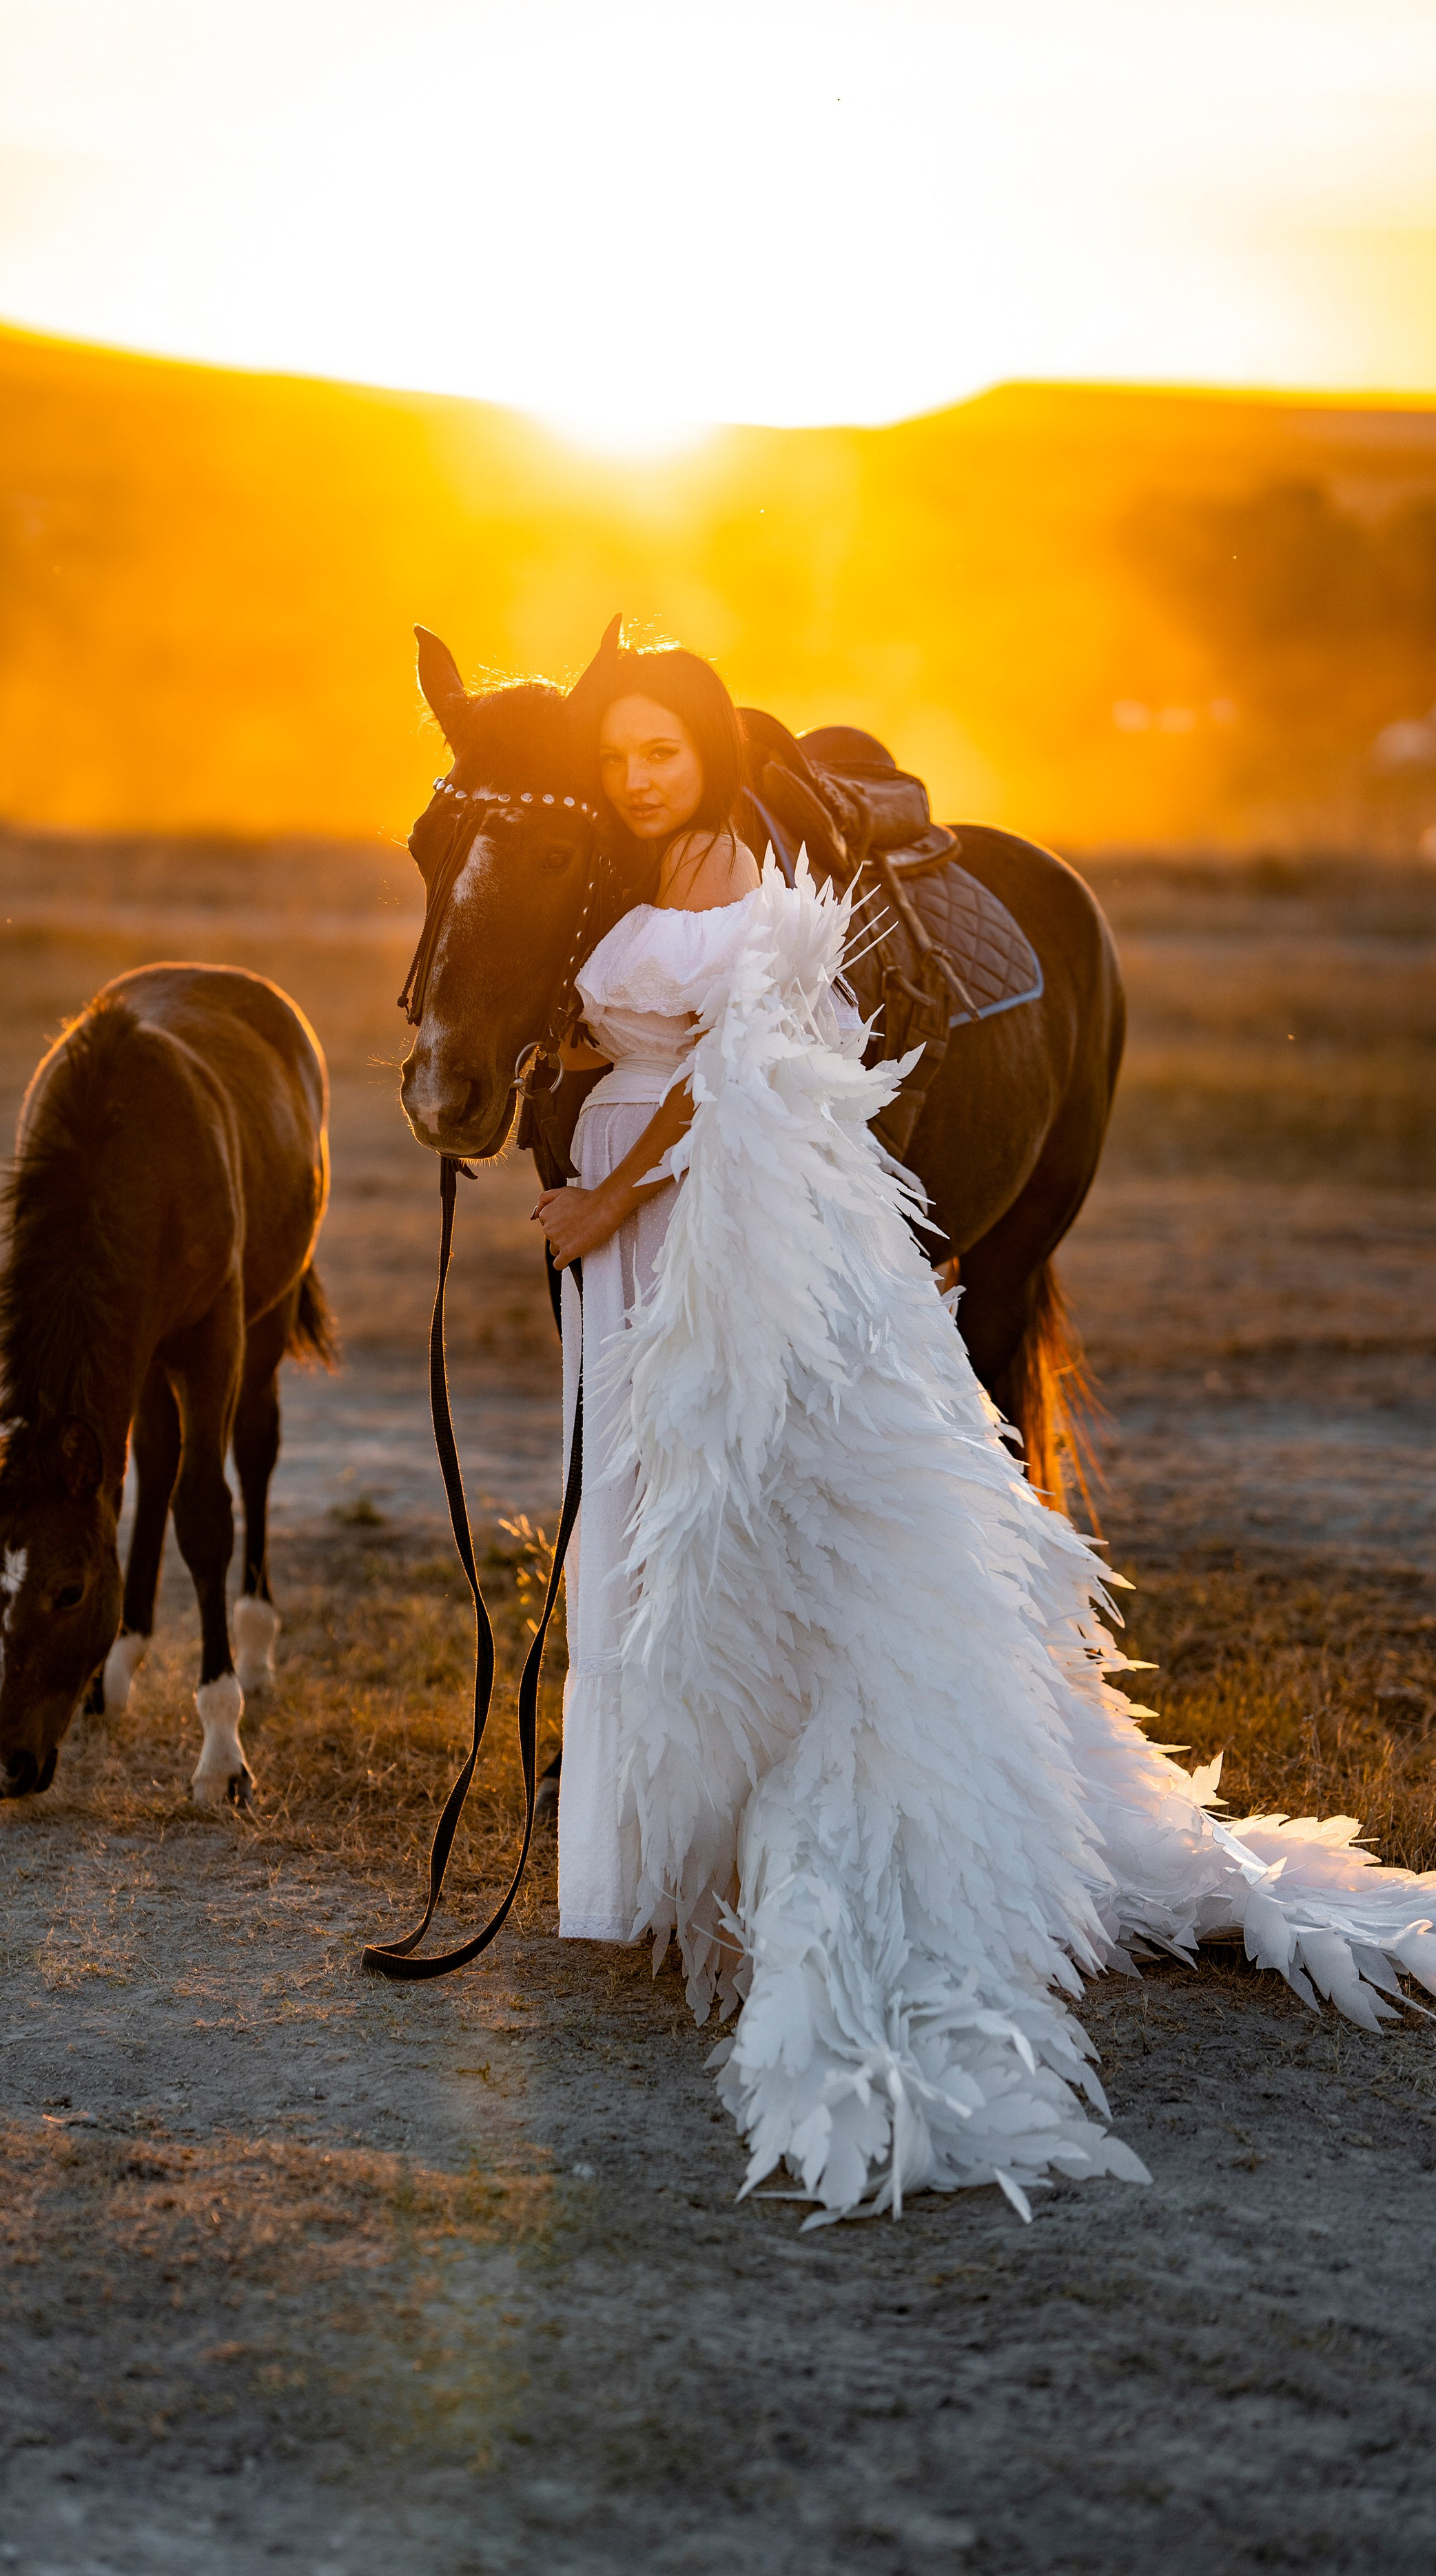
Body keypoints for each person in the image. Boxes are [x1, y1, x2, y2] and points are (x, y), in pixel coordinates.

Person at [531, 639, 1436, 2224]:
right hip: (625, 1227)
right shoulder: (618, 863)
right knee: (637, 1503)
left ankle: (750, 1845)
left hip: (697, 1206)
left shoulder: (743, 866)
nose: (637, 776)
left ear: (707, 755)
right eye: (618, 755)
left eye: (660, 751)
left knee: (741, 1506)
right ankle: (637, 1840)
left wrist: (607, 1185)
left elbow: (741, 1066)